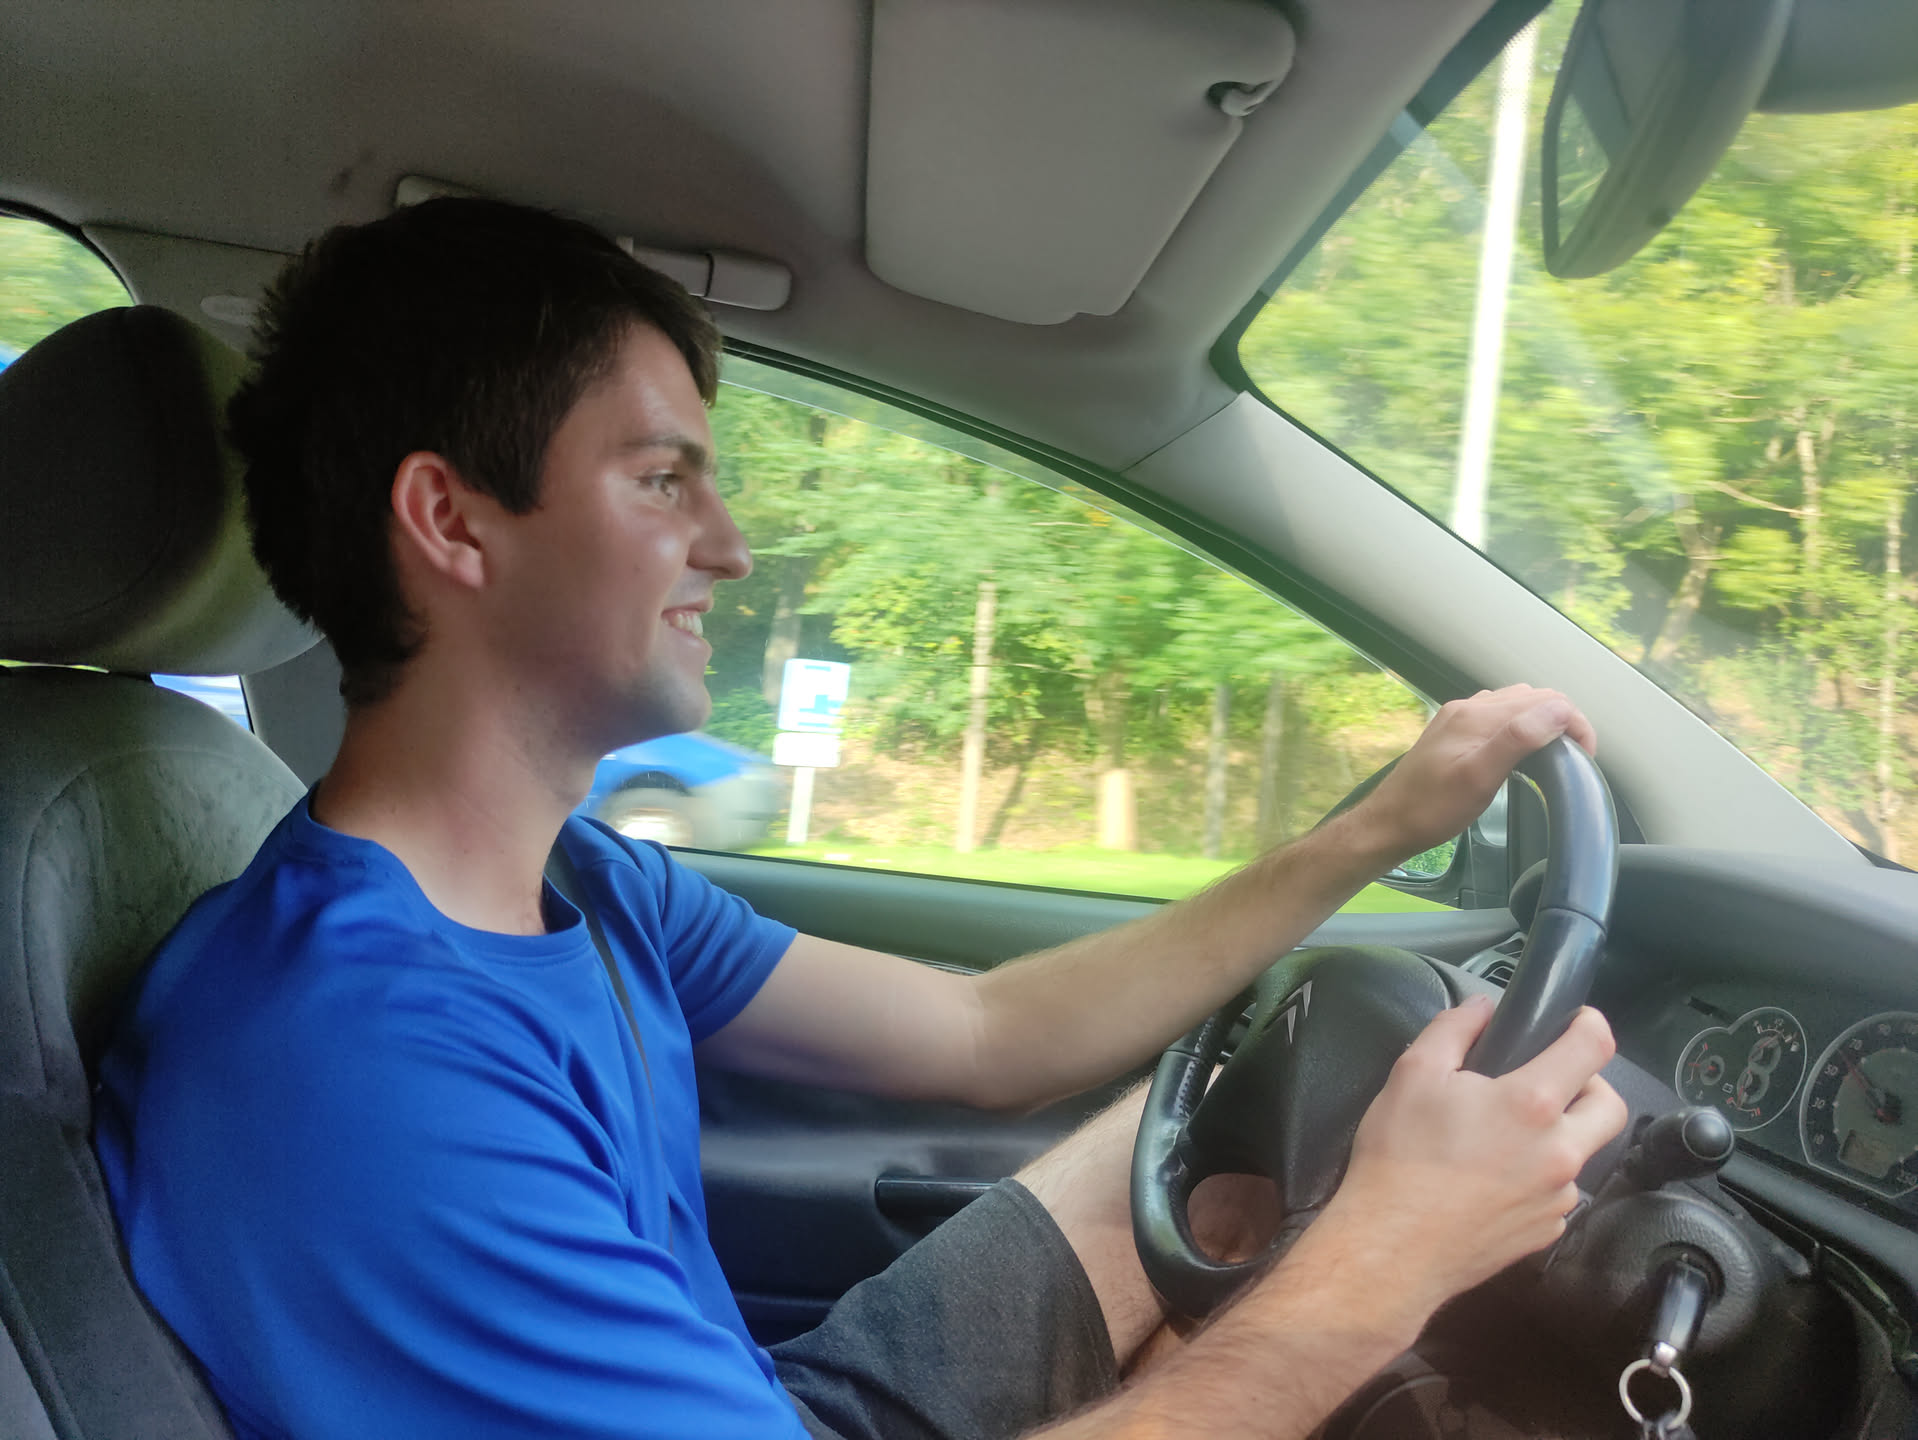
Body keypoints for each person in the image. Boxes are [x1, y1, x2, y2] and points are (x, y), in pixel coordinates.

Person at [93, 197, 1626, 1440]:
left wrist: (1369, 830)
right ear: (450, 521)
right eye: (662, 480)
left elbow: (989, 1034)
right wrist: (1387, 1261)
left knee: (1232, 1163)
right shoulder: (350, 1062)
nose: (730, 546)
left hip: (765, 1409)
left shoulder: (580, 885)